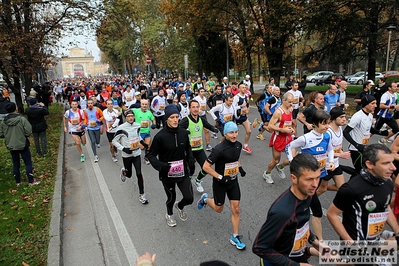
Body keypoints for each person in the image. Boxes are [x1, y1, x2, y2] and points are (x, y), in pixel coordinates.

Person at [252, 153, 323, 266]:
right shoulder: (282, 212)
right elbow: (259, 247)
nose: (315, 184)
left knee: (348, 258)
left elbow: (299, 225)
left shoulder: (308, 193)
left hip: (297, 254)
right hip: (278, 263)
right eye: (309, 179)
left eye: (318, 177)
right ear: (293, 178)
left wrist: (313, 240)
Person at [327, 144, 399, 246]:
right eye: (386, 163)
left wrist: (397, 230)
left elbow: (385, 206)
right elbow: (331, 214)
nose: (393, 167)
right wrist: (349, 241)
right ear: (369, 164)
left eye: (392, 162)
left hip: (374, 241)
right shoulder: (351, 188)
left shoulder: (387, 183)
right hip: (357, 244)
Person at [286, 109, 335, 240]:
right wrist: (293, 162)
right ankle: (317, 240)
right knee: (315, 210)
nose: (327, 126)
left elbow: (330, 149)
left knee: (307, 207)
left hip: (318, 176)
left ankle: (315, 239)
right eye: (324, 124)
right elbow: (289, 146)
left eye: (328, 123)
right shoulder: (306, 138)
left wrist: (330, 161)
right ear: (315, 124)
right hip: (305, 180)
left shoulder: (327, 136)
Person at [198, 121, 247, 250]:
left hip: (233, 181)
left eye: (236, 132)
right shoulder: (219, 149)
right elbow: (206, 167)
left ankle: (235, 236)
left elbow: (235, 158)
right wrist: (220, 177)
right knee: (219, 209)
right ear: (225, 134)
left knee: (236, 209)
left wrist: (240, 168)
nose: (234, 135)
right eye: (231, 132)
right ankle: (205, 199)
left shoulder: (238, 145)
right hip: (220, 183)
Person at [147, 105, 194, 227]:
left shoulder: (184, 133)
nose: (175, 120)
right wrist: (161, 166)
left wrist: (190, 158)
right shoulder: (160, 137)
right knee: (171, 197)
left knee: (189, 198)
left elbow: (188, 147)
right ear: (166, 119)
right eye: (172, 117)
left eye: (177, 117)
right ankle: (169, 214)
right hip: (167, 173)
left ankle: (180, 206)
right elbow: (151, 155)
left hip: (182, 170)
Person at [179, 99, 219, 192]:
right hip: (189, 150)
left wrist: (214, 129)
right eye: (193, 107)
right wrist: (185, 131)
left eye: (197, 107)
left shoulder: (201, 119)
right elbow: (178, 130)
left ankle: (198, 180)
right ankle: (188, 181)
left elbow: (208, 125)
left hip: (199, 149)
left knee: (206, 168)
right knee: (191, 168)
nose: (196, 109)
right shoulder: (186, 120)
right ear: (189, 108)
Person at [343, 95, 389, 173]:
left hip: (364, 147)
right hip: (356, 149)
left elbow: (369, 128)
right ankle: (339, 168)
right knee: (361, 171)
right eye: (373, 103)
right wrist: (356, 145)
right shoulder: (357, 116)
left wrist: (380, 132)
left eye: (376, 103)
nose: (375, 106)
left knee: (363, 171)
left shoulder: (370, 115)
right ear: (366, 104)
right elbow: (345, 132)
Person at [112, 109, 148, 204]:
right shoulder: (121, 128)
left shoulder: (138, 125)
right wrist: (123, 149)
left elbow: (138, 135)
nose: (130, 117)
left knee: (139, 174)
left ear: (134, 117)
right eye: (128, 116)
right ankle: (124, 171)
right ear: (125, 117)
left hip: (136, 153)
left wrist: (143, 143)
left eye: (132, 116)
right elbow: (114, 141)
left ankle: (142, 195)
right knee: (129, 175)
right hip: (126, 154)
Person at [0, 102, 40, 186]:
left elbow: (1, 134)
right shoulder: (21, 119)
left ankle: (18, 182)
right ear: (16, 108)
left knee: (16, 163)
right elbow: (28, 131)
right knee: (28, 162)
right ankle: (31, 180)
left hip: (11, 145)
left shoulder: (4, 121)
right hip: (23, 144)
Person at [263, 92, 294, 184]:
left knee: (292, 158)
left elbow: (288, 122)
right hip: (278, 138)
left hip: (288, 137)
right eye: (289, 102)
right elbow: (270, 126)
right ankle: (267, 173)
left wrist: (291, 128)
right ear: (283, 100)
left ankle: (281, 167)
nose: (291, 104)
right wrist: (282, 130)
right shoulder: (278, 112)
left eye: (292, 102)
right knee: (276, 160)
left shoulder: (291, 109)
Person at [132, 99, 156, 165]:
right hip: (139, 133)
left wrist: (154, 124)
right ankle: (132, 150)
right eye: (143, 104)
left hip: (147, 132)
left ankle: (146, 158)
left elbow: (153, 119)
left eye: (146, 104)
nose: (144, 106)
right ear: (140, 104)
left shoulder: (149, 112)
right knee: (142, 147)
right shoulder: (136, 111)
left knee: (148, 146)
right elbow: (127, 111)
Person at [233, 83, 253, 153]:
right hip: (236, 117)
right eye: (242, 88)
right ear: (239, 89)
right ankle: (225, 145)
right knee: (233, 134)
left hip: (243, 116)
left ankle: (245, 145)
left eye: (245, 87)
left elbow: (246, 105)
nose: (244, 89)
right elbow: (232, 107)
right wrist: (240, 106)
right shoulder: (236, 97)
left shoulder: (246, 96)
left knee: (249, 131)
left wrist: (246, 110)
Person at [84, 98, 104, 163]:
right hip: (90, 128)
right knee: (93, 141)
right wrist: (84, 124)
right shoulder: (85, 111)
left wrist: (99, 120)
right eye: (89, 103)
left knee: (97, 140)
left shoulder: (97, 109)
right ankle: (95, 155)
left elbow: (102, 115)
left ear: (93, 104)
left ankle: (98, 143)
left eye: (91, 103)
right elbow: (86, 119)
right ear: (87, 104)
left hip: (97, 127)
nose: (90, 105)